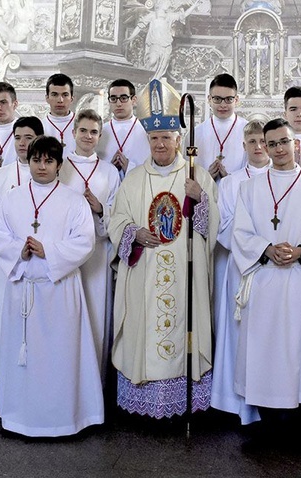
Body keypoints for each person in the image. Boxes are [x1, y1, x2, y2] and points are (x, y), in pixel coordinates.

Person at [108, 78, 218, 419]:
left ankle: (183, 401)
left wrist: (199, 202)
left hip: (185, 272)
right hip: (145, 271)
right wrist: (134, 232)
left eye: (166, 138)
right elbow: (117, 220)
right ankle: (145, 402)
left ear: (179, 139)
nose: (160, 144)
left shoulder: (196, 175)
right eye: (154, 138)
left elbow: (213, 228)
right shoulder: (134, 179)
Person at [0, 135, 103, 437]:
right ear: (29, 161)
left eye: (49, 160)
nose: (42, 166)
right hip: (23, 289)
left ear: (58, 164)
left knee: (60, 359)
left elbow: (85, 242)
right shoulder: (12, 199)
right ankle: (19, 419)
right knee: (23, 360)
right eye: (37, 159)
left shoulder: (74, 200)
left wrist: (48, 250)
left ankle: (65, 419)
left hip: (60, 290)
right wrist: (20, 250)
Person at [231, 118, 301, 444]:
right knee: (264, 349)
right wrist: (266, 249)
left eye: (283, 142)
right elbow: (241, 233)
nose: (276, 149)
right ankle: (268, 420)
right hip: (264, 281)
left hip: (300, 281)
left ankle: (298, 420)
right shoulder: (250, 187)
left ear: (296, 144)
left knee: (299, 349)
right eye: (270, 143)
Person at [210, 119, 270, 424]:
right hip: (242, 267)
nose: (258, 148)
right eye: (252, 143)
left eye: (264, 141)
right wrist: (256, 243)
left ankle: (266, 400)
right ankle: (235, 402)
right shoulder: (231, 182)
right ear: (243, 146)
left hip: (273, 271)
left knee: (266, 334)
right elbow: (222, 227)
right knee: (237, 332)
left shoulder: (282, 178)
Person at [59, 109, 121, 378]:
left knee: (95, 317)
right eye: (83, 130)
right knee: (66, 317)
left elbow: (117, 215)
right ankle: (65, 376)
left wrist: (99, 209)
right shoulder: (58, 167)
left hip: (97, 254)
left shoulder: (109, 171)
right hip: (65, 253)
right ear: (73, 133)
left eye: (94, 132)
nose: (87, 136)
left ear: (100, 136)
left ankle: (94, 380)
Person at [0, 116, 44, 379]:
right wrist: (15, 233)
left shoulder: (48, 172)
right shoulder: (3, 174)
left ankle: (37, 375)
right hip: (9, 259)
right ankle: (4, 378)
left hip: (38, 260)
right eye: (17, 137)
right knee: (3, 320)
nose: (21, 143)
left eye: (28, 138)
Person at [195, 73, 249, 181]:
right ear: (209, 99)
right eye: (217, 99)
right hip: (204, 196)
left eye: (229, 99)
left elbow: (255, 171)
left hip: (238, 195)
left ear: (236, 100)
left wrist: (230, 180)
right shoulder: (196, 133)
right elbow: (188, 173)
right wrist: (206, 178)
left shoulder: (248, 131)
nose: (223, 105)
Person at [97, 79, 149, 177]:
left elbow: (150, 167)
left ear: (134, 100)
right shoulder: (101, 131)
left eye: (124, 98)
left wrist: (128, 167)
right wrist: (110, 169)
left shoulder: (145, 130)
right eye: (113, 99)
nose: (118, 104)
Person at [42, 73, 77, 153]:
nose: (60, 100)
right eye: (54, 95)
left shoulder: (81, 125)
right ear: (47, 98)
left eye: (65, 95)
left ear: (72, 98)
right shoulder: (41, 126)